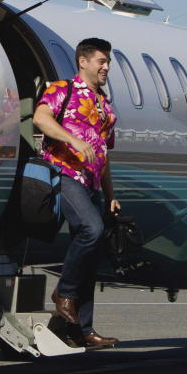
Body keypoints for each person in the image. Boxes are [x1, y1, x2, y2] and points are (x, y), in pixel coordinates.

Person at [32, 37, 120, 347]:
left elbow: (104, 155)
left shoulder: (104, 104)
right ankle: (64, 293)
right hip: (63, 173)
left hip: (91, 182)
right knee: (91, 229)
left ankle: (82, 329)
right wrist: (75, 141)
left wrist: (110, 194)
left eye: (107, 62)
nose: (106, 66)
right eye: (101, 61)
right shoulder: (62, 90)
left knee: (92, 256)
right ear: (83, 62)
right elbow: (41, 118)